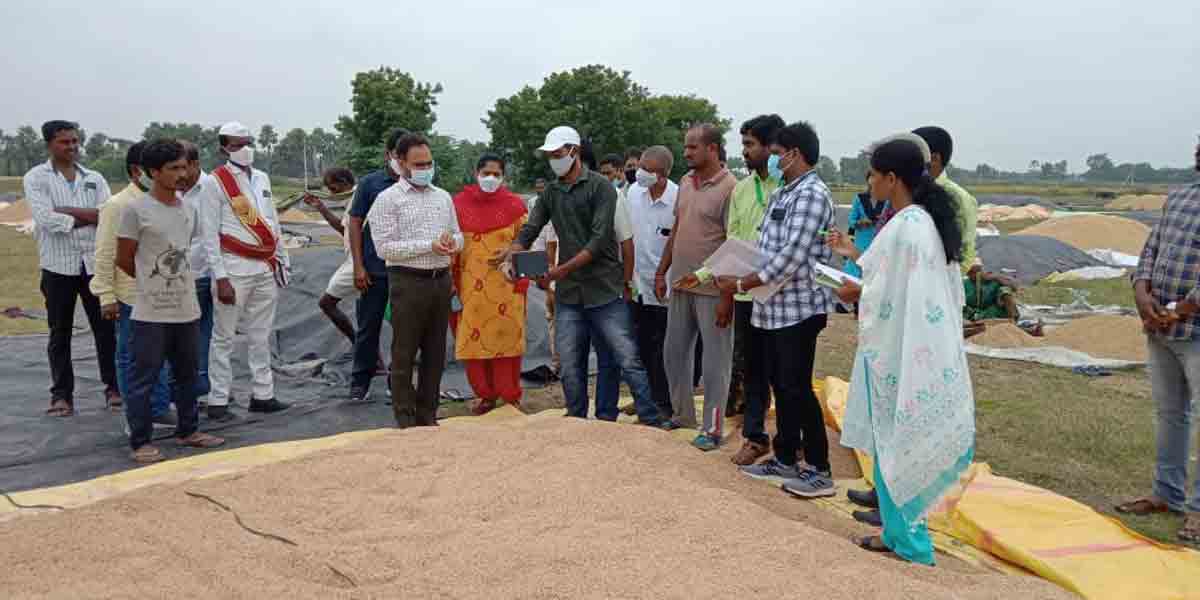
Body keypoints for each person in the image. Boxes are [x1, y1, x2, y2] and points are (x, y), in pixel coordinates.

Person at [824, 138, 975, 564]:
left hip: (903, 353)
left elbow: (885, 295)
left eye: (872, 174)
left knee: (900, 443)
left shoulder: (909, 227)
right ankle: (895, 535)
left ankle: (910, 544)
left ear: (892, 179)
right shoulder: (919, 222)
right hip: (908, 348)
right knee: (893, 443)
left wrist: (855, 291)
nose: (868, 182)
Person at [500, 125, 659, 425]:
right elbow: (531, 227)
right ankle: (575, 423)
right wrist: (514, 251)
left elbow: (599, 242)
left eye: (558, 154)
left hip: (604, 288)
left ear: (574, 152)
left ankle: (646, 420)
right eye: (550, 155)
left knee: (625, 359)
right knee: (571, 364)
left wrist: (558, 271)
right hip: (570, 294)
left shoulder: (601, 188)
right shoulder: (551, 192)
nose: (553, 160)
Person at [715, 121, 836, 495]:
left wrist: (741, 283)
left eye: (778, 153)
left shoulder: (812, 195)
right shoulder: (785, 192)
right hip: (772, 308)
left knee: (796, 387)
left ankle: (818, 468)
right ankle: (784, 459)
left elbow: (791, 258)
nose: (773, 159)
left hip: (797, 310)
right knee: (781, 387)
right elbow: (765, 248)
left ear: (795, 154)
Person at [115, 138, 225, 463]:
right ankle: (140, 442)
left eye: (185, 166)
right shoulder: (134, 211)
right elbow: (124, 259)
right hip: (151, 311)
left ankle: (189, 430)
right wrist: (153, 285)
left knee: (188, 374)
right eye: (174, 168)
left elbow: (184, 251)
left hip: (186, 308)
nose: (183, 174)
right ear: (153, 172)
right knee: (143, 378)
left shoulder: (189, 210)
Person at [1118, 137, 1200, 543]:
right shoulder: (1180, 197)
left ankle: (1199, 510)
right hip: (1160, 325)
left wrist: (1180, 310)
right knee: (1171, 413)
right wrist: (1142, 293)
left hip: (1193, 329)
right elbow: (1152, 248)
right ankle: (1167, 494)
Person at [24, 120, 118, 417]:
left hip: (93, 265)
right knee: (59, 332)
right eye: (65, 142)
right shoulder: (37, 178)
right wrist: (86, 216)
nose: (72, 147)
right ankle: (61, 395)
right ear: (50, 144)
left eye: (75, 141)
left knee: (105, 330)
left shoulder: (94, 177)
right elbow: (45, 218)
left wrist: (67, 211)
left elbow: (107, 215)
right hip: (58, 266)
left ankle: (114, 388)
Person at [368, 133, 462, 428]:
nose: (425, 168)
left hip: (440, 280)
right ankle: (406, 419)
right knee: (404, 353)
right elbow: (384, 248)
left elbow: (458, 235)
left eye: (429, 163)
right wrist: (428, 245)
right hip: (407, 282)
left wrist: (452, 243)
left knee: (436, 354)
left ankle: (428, 416)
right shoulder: (387, 200)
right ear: (400, 163)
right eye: (418, 164)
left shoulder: (443, 197)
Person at [200, 121, 290, 420]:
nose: (244, 149)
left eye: (247, 142)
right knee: (223, 337)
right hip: (233, 269)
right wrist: (220, 277)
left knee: (261, 335)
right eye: (237, 144)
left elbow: (273, 222)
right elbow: (209, 234)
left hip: (265, 266)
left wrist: (282, 260)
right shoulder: (216, 182)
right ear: (224, 147)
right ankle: (218, 400)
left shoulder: (262, 178)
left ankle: (263, 394)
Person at [655, 123, 737, 451]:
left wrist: (726, 297)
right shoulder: (686, 184)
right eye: (685, 146)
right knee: (673, 354)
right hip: (681, 284)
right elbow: (677, 229)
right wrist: (662, 272)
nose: (685, 153)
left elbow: (734, 246)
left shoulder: (731, 188)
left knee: (715, 365)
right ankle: (682, 415)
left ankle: (713, 429)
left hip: (713, 291)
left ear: (713, 149)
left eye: (692, 147)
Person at [91, 141, 175, 426]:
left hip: (161, 293)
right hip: (130, 295)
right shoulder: (118, 205)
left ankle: (159, 407)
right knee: (132, 356)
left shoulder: (164, 202)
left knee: (160, 353)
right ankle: (136, 414)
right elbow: (105, 254)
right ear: (138, 171)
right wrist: (106, 296)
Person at [450, 153, 529, 415]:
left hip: (507, 287)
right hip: (470, 288)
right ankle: (485, 395)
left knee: (506, 342)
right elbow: (450, 245)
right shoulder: (457, 205)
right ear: (476, 173)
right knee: (474, 342)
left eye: (496, 174)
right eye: (486, 173)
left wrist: (512, 251)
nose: (491, 178)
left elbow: (527, 243)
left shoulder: (516, 207)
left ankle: (510, 395)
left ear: (504, 177)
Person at [726, 114, 784, 466]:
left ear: (772, 148)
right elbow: (733, 239)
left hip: (782, 294)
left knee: (787, 372)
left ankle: (793, 440)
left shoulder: (790, 188)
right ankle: (755, 437)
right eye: (743, 144)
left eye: (750, 145)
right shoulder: (742, 190)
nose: (744, 152)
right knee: (753, 368)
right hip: (747, 292)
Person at [346, 128, 407, 403]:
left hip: (406, 270)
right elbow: (355, 223)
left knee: (405, 328)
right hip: (374, 269)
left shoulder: (417, 184)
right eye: (397, 155)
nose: (401, 161)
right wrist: (358, 266)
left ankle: (399, 379)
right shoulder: (370, 184)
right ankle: (360, 381)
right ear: (388, 155)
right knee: (368, 327)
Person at [626, 146, 679, 421]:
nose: (639, 172)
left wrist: (662, 277)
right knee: (640, 346)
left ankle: (665, 404)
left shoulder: (678, 199)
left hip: (665, 288)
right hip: (637, 285)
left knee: (664, 350)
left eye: (647, 169)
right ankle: (644, 399)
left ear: (663, 174)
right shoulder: (633, 193)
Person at [303, 167, 359, 345]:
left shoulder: (359, 198)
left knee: (327, 303)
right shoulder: (352, 200)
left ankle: (359, 345)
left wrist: (359, 267)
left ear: (344, 183)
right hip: (356, 261)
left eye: (334, 189)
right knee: (367, 313)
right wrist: (321, 207)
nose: (332, 194)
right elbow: (345, 231)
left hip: (359, 263)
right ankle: (369, 354)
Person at [913, 126, 977, 273]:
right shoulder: (908, 193)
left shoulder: (959, 198)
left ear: (934, 159)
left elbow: (965, 253)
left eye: (912, 155)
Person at [179, 141, 214, 407]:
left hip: (208, 275)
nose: (178, 174)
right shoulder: (172, 192)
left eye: (182, 167)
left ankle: (205, 389)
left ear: (195, 164)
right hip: (178, 278)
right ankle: (189, 390)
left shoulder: (213, 189)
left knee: (207, 335)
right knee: (182, 337)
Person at [528, 177, 561, 378]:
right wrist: (546, 283)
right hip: (551, 277)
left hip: (565, 277)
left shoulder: (560, 213)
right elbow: (543, 247)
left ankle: (564, 364)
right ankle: (558, 364)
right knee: (554, 321)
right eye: (538, 189)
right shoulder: (534, 207)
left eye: (544, 188)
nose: (541, 192)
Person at [842, 183, 889, 279]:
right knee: (855, 276)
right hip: (860, 244)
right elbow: (851, 220)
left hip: (879, 245)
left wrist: (882, 221)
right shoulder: (860, 198)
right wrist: (860, 222)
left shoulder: (887, 201)